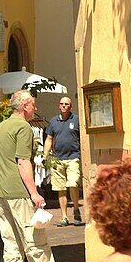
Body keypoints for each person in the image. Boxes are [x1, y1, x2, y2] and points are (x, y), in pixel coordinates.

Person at [0, 88, 68, 262]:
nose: (35, 108)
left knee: (11, 246)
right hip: (19, 193)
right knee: (36, 242)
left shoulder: (2, 126)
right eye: (33, 104)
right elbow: (23, 162)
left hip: (2, 193)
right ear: (25, 106)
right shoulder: (23, 128)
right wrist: (34, 192)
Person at [44, 95, 83, 226]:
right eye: (62, 104)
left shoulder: (76, 120)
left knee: (73, 184)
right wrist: (46, 156)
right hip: (57, 159)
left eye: (67, 104)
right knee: (60, 188)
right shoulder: (53, 122)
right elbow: (49, 139)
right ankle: (64, 217)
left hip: (73, 157)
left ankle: (76, 210)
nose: (64, 106)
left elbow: (82, 137)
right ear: (59, 106)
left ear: (71, 107)